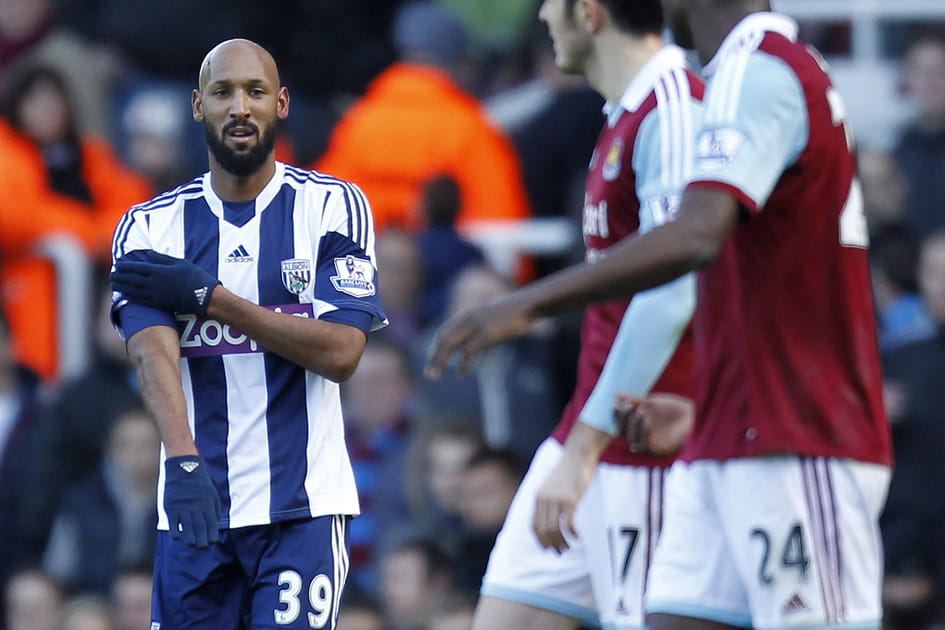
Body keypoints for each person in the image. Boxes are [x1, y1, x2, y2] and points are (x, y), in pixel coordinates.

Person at [429, 0, 893, 628]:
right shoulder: (730, 74)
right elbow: (726, 267)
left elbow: (691, 244)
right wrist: (706, 407)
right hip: (726, 432)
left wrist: (527, 302)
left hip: (794, 432)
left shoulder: (744, 76)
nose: (540, 14)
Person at [427, 1, 701, 629]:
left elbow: (674, 291)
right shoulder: (624, 112)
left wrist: (586, 448)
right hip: (590, 425)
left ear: (591, 12)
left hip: (646, 442)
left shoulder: (674, 107)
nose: (544, 15)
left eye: (554, 1)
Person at [108, 39, 387, 629]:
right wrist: (183, 464)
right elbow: (151, 353)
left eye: (256, 92)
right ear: (197, 106)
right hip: (195, 506)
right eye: (223, 92)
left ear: (281, 103)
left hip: (302, 511)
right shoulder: (151, 224)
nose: (240, 106)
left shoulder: (333, 207)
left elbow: (342, 352)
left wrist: (212, 301)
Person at [314, 1, 531, 234]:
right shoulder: (472, 129)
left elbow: (323, 207)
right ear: (460, 61)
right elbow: (502, 224)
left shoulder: (358, 123)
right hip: (446, 267)